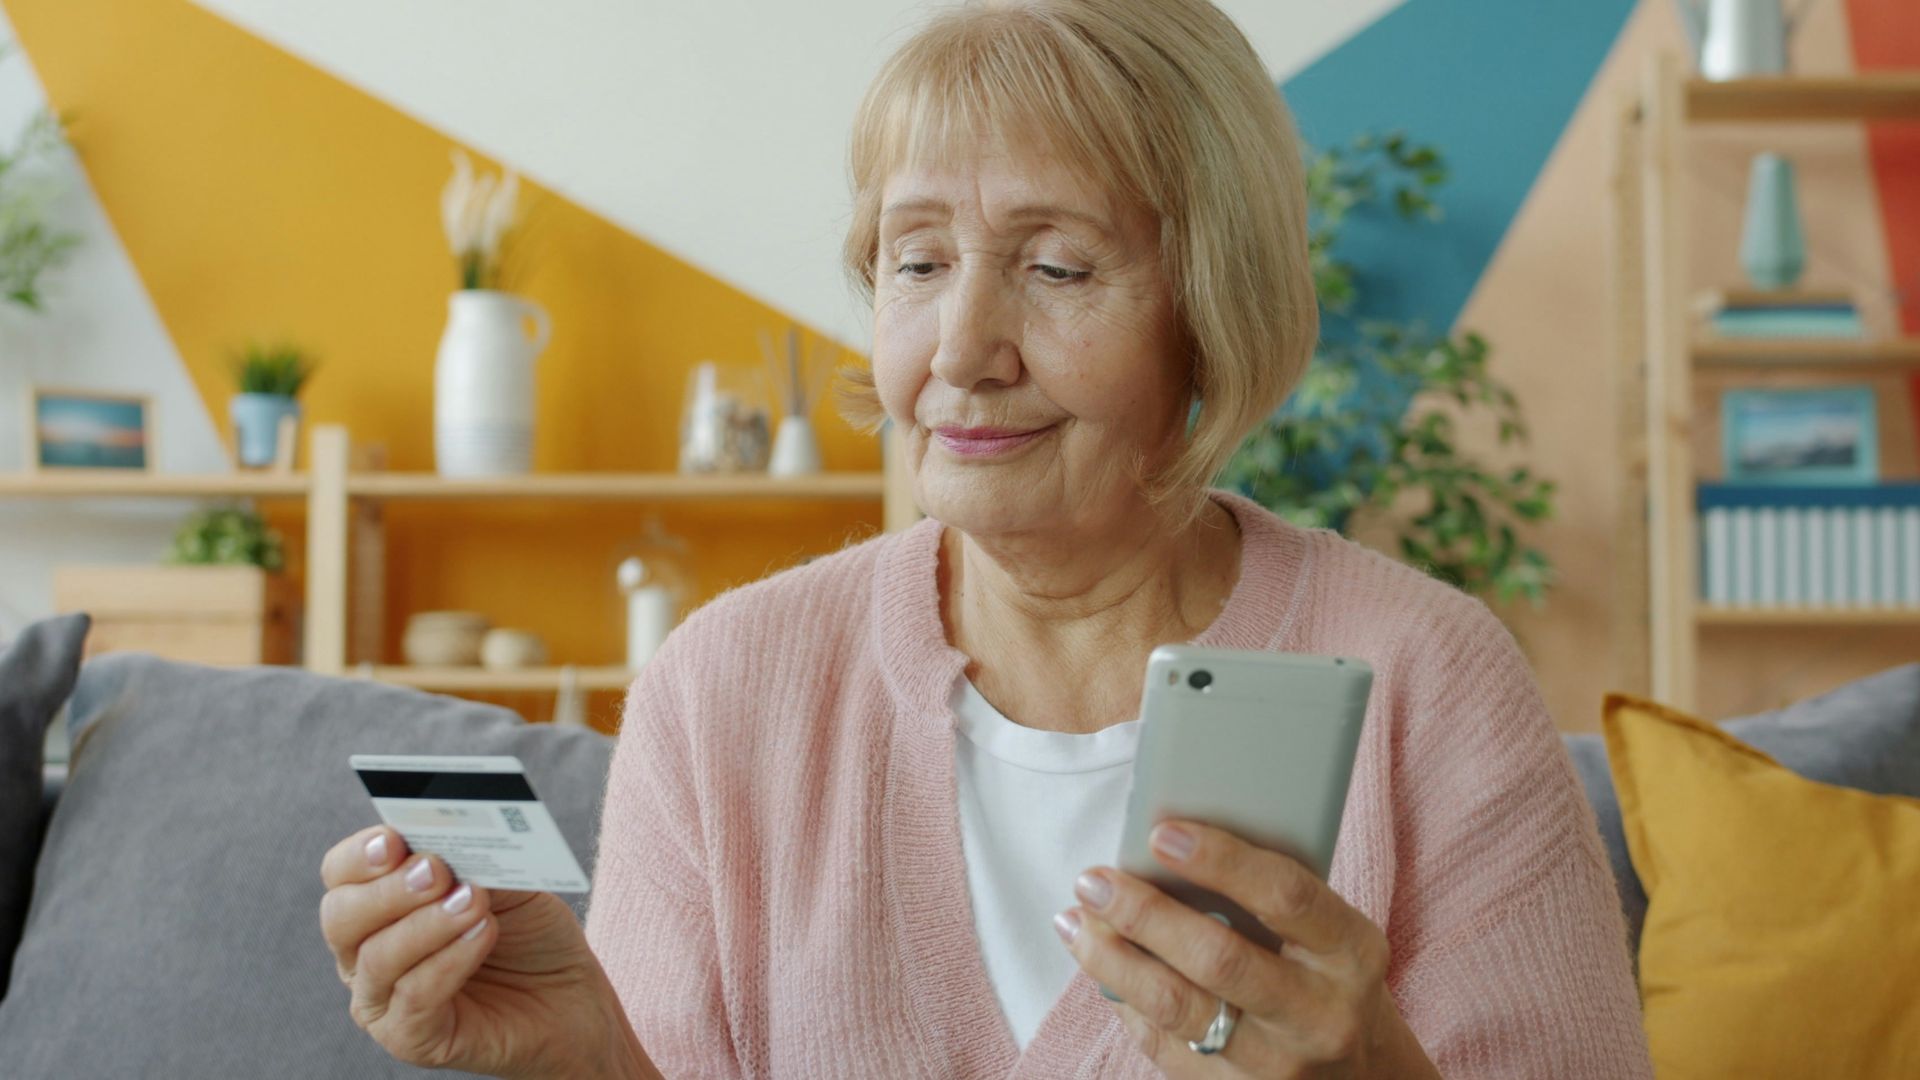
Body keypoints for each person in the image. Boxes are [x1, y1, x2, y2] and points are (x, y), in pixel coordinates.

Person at [319, 1, 1653, 1075]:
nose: (961, 350)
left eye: (1057, 267)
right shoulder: (721, 692)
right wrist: (585, 1060)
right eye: (917, 261)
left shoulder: (1430, 685)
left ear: (1210, 312)